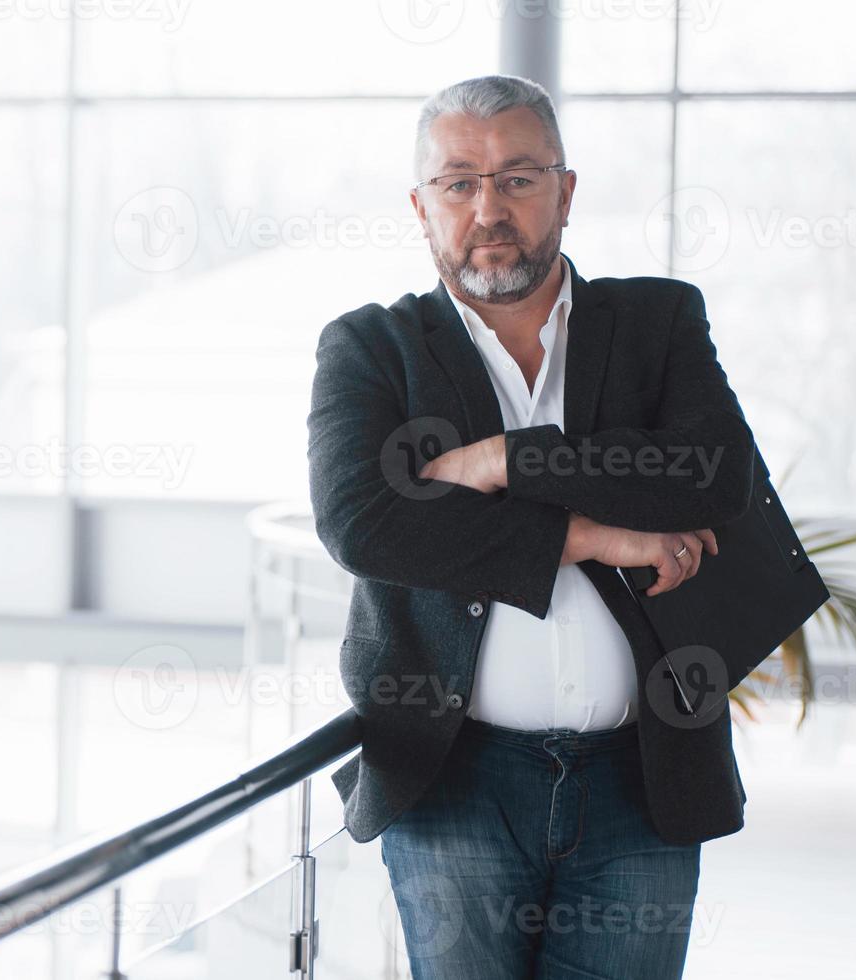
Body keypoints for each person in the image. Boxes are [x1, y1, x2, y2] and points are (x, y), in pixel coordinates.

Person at [307, 74, 757, 979]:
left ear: (566, 190)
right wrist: (593, 537)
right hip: (453, 785)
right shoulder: (370, 349)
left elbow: (715, 475)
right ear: (420, 205)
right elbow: (364, 525)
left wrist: (506, 461)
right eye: (458, 182)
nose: (488, 208)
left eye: (518, 177)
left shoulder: (657, 320)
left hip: (644, 778)